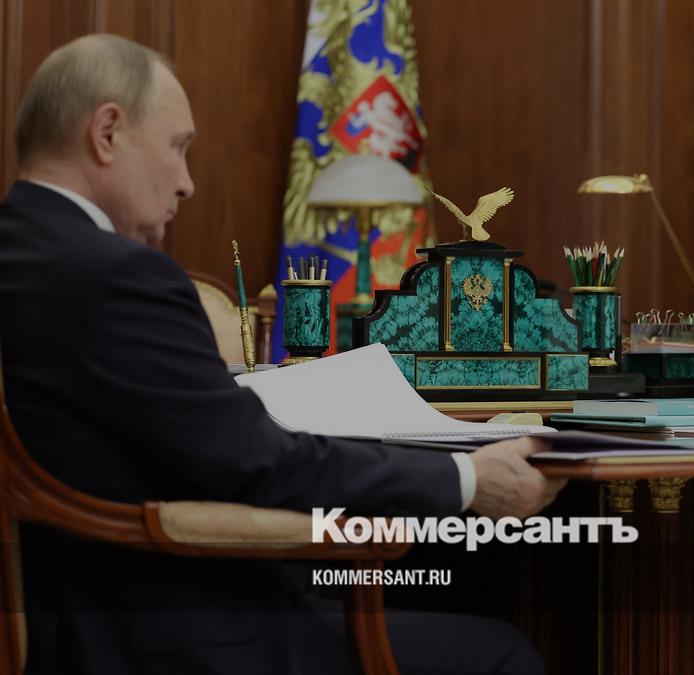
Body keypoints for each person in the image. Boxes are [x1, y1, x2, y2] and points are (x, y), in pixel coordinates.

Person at [0, 34, 565, 675]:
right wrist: (467, 480)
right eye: (178, 147)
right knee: (503, 651)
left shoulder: (25, 253)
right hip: (169, 629)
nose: (186, 183)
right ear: (107, 133)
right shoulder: (116, 276)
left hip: (67, 611)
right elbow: (253, 463)